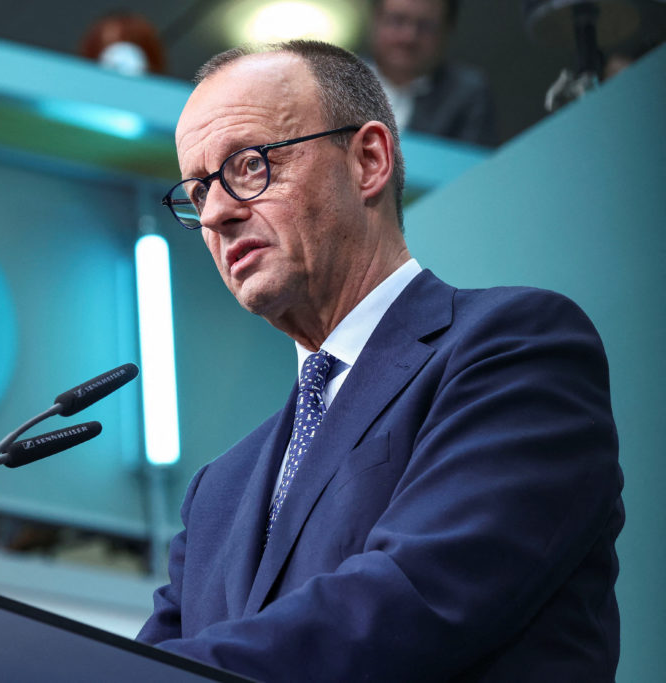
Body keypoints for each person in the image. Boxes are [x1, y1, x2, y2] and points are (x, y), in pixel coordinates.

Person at [136, 40, 623, 681]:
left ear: (368, 161)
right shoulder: (217, 494)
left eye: (249, 165)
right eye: (198, 193)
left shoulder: (515, 349)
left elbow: (415, 599)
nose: (218, 213)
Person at [369, 0, 497, 146]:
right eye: (397, 21)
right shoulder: (347, 80)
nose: (408, 37)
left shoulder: (467, 95)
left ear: (447, 31)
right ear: (375, 20)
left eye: (426, 26)